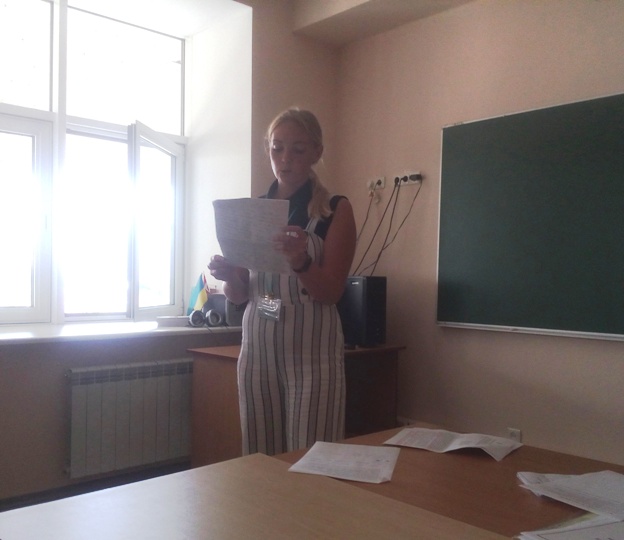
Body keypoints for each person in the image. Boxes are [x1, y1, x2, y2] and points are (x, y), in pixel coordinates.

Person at [208, 108, 356, 456]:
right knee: (259, 456)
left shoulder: (335, 210)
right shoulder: (254, 209)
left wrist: (301, 261)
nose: (285, 158)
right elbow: (240, 295)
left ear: (317, 152)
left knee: (311, 458)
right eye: (277, 148)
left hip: (312, 356)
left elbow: (331, 292)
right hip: (257, 351)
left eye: (298, 149)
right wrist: (229, 277)